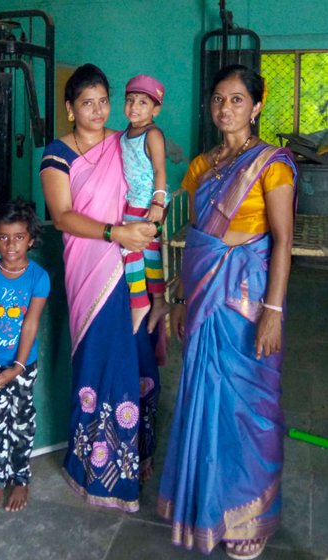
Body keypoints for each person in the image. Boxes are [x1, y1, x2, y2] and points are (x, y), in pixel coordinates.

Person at [158, 64, 297, 559]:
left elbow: (282, 242)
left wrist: (274, 310)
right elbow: (197, 241)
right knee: (204, 400)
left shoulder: (273, 164)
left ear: (256, 106)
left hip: (247, 296)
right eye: (219, 99)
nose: (226, 108)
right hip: (201, 297)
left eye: (237, 99)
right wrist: (178, 297)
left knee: (248, 407)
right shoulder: (200, 167)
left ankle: (247, 519)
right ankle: (207, 512)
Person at [40, 63, 162, 512]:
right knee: (101, 356)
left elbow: (155, 167)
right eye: (86, 103)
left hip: (133, 261)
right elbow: (62, 216)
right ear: (70, 109)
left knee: (137, 350)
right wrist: (116, 233)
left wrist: (154, 207)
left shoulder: (124, 140)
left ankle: (138, 451)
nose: (97, 110)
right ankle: (98, 467)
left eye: (103, 101)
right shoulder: (58, 154)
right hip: (92, 264)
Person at [0, 199, 50, 517]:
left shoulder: (38, 277)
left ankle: (20, 478)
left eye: (19, 236)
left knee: (20, 423)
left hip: (22, 365)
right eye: (3, 237)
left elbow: (31, 323)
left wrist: (17, 367)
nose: (11, 244)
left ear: (31, 238)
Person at [121, 73, 171, 334]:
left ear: (156, 109)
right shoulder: (125, 134)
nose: (134, 107)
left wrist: (158, 202)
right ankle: (159, 301)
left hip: (147, 203)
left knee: (130, 253)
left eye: (143, 102)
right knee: (150, 254)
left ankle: (139, 303)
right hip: (133, 201)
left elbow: (160, 170)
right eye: (130, 100)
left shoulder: (152, 134)